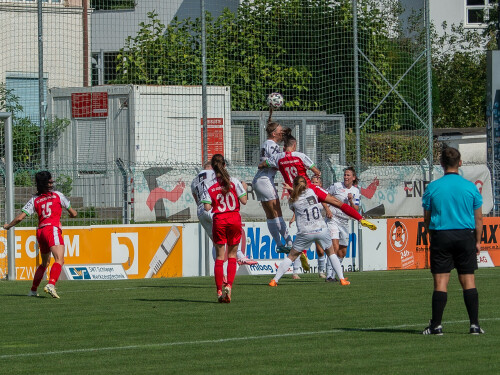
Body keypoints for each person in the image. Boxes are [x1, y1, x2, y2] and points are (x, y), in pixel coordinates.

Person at [260, 127, 376, 233]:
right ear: (294, 144)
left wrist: (274, 166)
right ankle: (361, 219)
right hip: (310, 189)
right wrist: (316, 173)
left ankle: (303, 252)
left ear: (284, 146)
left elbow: (262, 165)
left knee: (303, 219)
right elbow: (316, 171)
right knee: (337, 203)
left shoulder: (277, 158)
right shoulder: (300, 156)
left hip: (295, 192)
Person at [421, 147, 484, 335]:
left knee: (441, 282)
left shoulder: (433, 187)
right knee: (468, 280)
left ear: (441, 164)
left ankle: (436, 326)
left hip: (441, 235)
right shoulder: (470, 187)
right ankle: (474, 325)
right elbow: (479, 219)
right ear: (460, 163)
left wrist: (431, 235)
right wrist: (478, 241)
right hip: (465, 236)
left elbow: (426, 217)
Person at [3, 171, 77, 298]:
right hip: (52, 229)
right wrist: (69, 214)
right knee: (60, 259)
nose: (52, 181)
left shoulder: (34, 199)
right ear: (46, 183)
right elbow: (74, 213)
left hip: (41, 231)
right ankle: (51, 284)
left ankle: (32, 290)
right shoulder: (58, 195)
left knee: (44, 263)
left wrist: (8, 226)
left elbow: (20, 218)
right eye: (50, 180)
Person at [269, 176, 349, 287]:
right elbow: (306, 194)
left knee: (291, 257)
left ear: (294, 186)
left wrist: (292, 191)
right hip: (321, 229)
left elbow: (295, 206)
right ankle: (342, 279)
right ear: (306, 185)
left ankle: (274, 280)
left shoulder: (292, 200)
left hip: (305, 232)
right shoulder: (311, 191)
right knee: (331, 253)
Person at [201, 154, 248, 303]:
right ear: (225, 165)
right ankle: (229, 286)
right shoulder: (233, 181)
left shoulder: (209, 184)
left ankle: (219, 290)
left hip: (219, 220)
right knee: (233, 256)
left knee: (220, 257)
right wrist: (244, 189)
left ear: (213, 169)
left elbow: (207, 207)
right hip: (234, 218)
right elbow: (244, 201)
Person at [190, 161, 256, 266]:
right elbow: (227, 186)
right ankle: (240, 256)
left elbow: (196, 199)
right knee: (230, 234)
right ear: (213, 167)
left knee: (217, 243)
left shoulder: (194, 181)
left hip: (201, 212)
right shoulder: (213, 174)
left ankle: (220, 271)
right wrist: (243, 187)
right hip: (212, 208)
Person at [252, 120, 293, 253]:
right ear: (274, 133)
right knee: (277, 214)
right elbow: (276, 162)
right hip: (265, 180)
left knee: (270, 215)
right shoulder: (274, 146)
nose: (281, 134)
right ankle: (290, 243)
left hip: (258, 181)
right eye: (280, 132)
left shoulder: (266, 143)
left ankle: (279, 244)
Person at [324, 167, 360, 282]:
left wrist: (350, 201)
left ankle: (334, 273)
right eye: (345, 175)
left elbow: (356, 209)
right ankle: (329, 275)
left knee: (342, 252)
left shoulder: (356, 191)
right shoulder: (336, 186)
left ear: (353, 178)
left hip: (344, 222)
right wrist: (328, 210)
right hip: (333, 219)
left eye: (348, 175)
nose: (346, 177)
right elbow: (323, 197)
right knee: (334, 247)